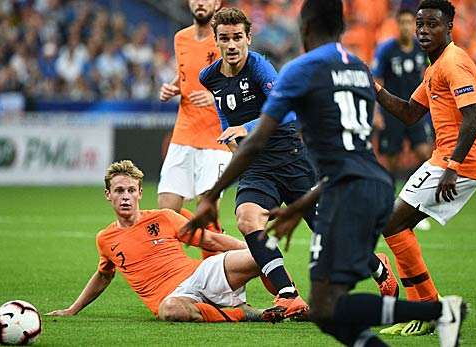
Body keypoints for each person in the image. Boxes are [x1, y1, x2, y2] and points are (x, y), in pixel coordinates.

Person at [183, 1, 466, 346]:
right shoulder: (359, 70)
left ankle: (437, 312)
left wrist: (211, 195)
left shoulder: (299, 70)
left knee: (327, 305)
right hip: (366, 181)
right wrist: (302, 204)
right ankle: (292, 293)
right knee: (325, 309)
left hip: (332, 181)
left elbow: (260, 139)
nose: (230, 45)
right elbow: (350, 148)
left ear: (304, 29)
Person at [373, 0, 476, 337]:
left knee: (394, 223)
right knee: (394, 225)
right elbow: (411, 112)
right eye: (420, 25)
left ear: (449, 27)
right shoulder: (435, 67)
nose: (424, 31)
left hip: (459, 161)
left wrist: (453, 166)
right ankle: (425, 307)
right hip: (446, 158)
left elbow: (474, 117)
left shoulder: (454, 64)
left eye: (432, 25)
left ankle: (426, 309)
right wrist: (377, 90)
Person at [199, 7, 317, 320]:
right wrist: (233, 137)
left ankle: (376, 264)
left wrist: (245, 128)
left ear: (249, 38)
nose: (232, 44)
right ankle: (288, 295)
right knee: (248, 219)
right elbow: (225, 112)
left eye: (238, 37)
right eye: (225, 39)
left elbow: (288, 112)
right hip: (256, 165)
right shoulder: (208, 77)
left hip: (289, 157)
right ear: (217, 41)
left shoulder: (260, 67)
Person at [46, 160, 270, 323]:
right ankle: (241, 313)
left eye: (131, 190)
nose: (126, 196)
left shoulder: (164, 216)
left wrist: (251, 247)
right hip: (172, 298)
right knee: (171, 311)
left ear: (140, 193)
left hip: (201, 275)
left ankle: (290, 301)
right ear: (108, 195)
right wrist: (72, 309)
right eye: (119, 190)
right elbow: (103, 275)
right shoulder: (105, 239)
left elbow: (210, 240)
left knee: (263, 255)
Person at [157, 0, 231, 220]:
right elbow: (186, 74)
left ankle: (213, 250)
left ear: (217, 4)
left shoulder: (226, 40)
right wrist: (173, 88)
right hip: (184, 133)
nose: (201, 2)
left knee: (207, 207)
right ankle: (174, 254)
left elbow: (239, 83)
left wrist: (213, 96)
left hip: (215, 137)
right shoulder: (181, 38)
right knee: (166, 207)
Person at [372, 7, 432, 179]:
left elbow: (431, 75)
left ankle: (420, 191)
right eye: (402, 22)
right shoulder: (386, 50)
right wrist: (376, 112)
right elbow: (376, 80)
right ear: (397, 24)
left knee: (424, 152)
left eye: (409, 22)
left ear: (414, 25)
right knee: (392, 160)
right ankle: (389, 199)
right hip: (392, 111)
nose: (405, 26)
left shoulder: (422, 49)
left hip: (417, 109)